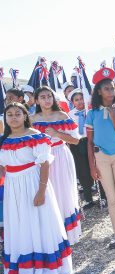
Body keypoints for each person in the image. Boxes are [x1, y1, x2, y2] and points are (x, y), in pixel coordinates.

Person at [0, 102, 73, 274]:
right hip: (13, 187)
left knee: (37, 221)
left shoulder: (35, 136)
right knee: (19, 224)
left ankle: (44, 266)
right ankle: (24, 267)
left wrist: (41, 191)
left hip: (33, 183)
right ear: (5, 118)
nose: (14, 117)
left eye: (18, 113)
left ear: (25, 116)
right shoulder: (3, 140)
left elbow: (44, 163)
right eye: (10, 114)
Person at [31, 86, 82, 244]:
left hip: (60, 156)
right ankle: (50, 233)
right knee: (45, 194)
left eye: (49, 96)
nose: (46, 100)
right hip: (40, 161)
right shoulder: (31, 119)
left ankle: (67, 235)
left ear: (53, 98)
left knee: (63, 192)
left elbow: (75, 140)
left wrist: (57, 134)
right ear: (37, 100)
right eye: (43, 97)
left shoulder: (62, 115)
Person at [86, 67, 115, 249]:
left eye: (112, 88)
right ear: (99, 92)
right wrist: (91, 166)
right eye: (106, 89)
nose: (110, 92)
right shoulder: (92, 114)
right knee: (111, 198)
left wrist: (113, 117)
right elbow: (88, 142)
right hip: (100, 156)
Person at [68, 89, 100, 210]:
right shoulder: (70, 115)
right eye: (76, 100)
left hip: (91, 141)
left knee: (97, 166)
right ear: (73, 102)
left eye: (81, 98)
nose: (80, 101)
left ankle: (102, 196)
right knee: (83, 171)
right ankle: (88, 199)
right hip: (78, 143)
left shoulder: (90, 111)